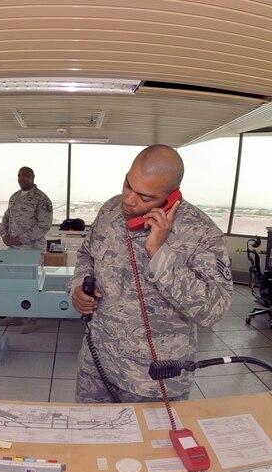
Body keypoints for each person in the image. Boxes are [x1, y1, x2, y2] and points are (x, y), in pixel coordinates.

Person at [69, 144, 234, 403]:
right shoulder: (111, 211)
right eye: (127, 185)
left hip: (153, 380)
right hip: (97, 362)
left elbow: (214, 310)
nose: (129, 200)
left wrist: (159, 253)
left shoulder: (201, 233)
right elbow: (86, 255)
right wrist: (78, 286)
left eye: (145, 198)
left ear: (171, 196)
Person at [0, 166, 54, 333]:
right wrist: (4, 235)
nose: (20, 178)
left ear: (33, 177)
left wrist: (20, 239)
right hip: (14, 251)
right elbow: (6, 217)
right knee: (14, 285)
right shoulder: (14, 197)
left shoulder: (41, 199)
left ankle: (31, 319)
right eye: (18, 175)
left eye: (24, 175)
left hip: (32, 250)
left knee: (32, 285)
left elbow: (43, 226)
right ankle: (16, 315)